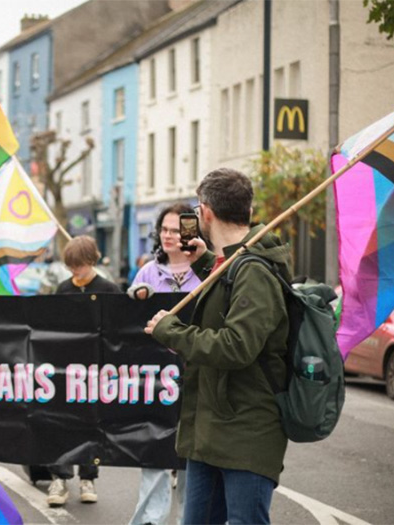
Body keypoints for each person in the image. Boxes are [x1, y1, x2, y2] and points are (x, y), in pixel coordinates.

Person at [145, 168, 292, 524]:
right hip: (210, 430)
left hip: (244, 434)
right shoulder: (233, 261)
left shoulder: (255, 269)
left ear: (206, 212)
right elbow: (229, 288)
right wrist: (206, 262)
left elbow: (237, 346)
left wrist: (172, 331)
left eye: (197, 211)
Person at [126, 203, 200, 525]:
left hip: (195, 375)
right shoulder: (147, 272)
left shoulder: (207, 270)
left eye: (176, 230)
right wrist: (135, 295)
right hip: (156, 380)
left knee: (192, 458)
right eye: (164, 229)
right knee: (155, 453)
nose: (168, 236)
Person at [43, 235, 121, 507]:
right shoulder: (63, 289)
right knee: (60, 422)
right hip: (66, 369)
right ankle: (60, 477)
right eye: (71, 266)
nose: (76, 271)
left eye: (80, 265)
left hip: (95, 371)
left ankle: (88, 476)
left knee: (91, 422)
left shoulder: (109, 289)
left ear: (92, 261)